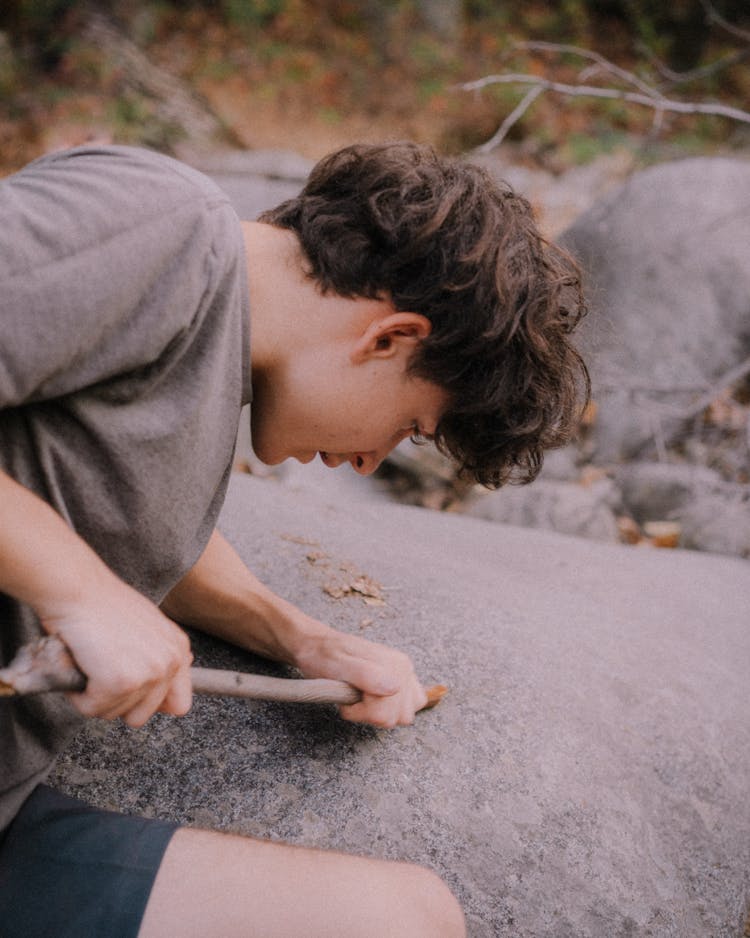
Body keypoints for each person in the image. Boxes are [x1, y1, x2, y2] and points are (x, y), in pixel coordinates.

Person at [0, 141, 588, 937]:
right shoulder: (163, 225)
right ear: (388, 339)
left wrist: (305, 640)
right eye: (410, 426)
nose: (369, 459)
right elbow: (89, 570)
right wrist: (81, 592)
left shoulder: (216, 379)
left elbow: (116, 520)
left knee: (406, 920)